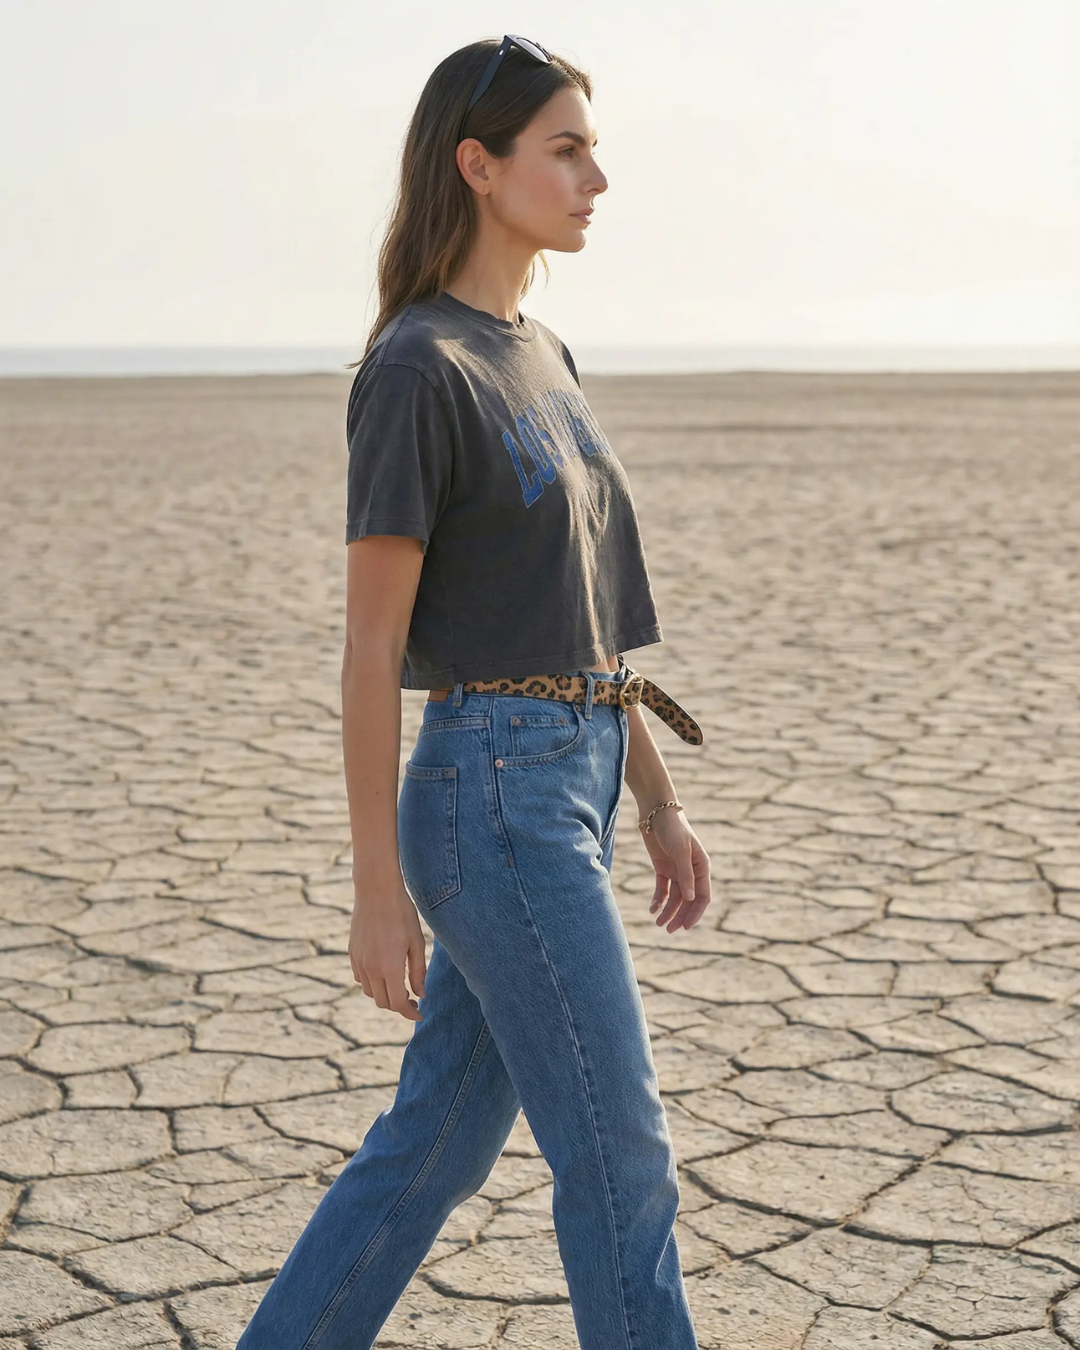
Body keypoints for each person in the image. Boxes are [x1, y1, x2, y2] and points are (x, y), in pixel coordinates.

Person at [236, 33, 711, 1350]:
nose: (595, 179)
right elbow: (369, 647)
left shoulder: (544, 351)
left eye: (592, 149)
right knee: (622, 1152)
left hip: (570, 782)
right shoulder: (417, 369)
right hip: (491, 797)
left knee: (430, 1150)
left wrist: (656, 802)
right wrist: (376, 883)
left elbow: (589, 622)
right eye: (566, 149)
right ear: (478, 164)